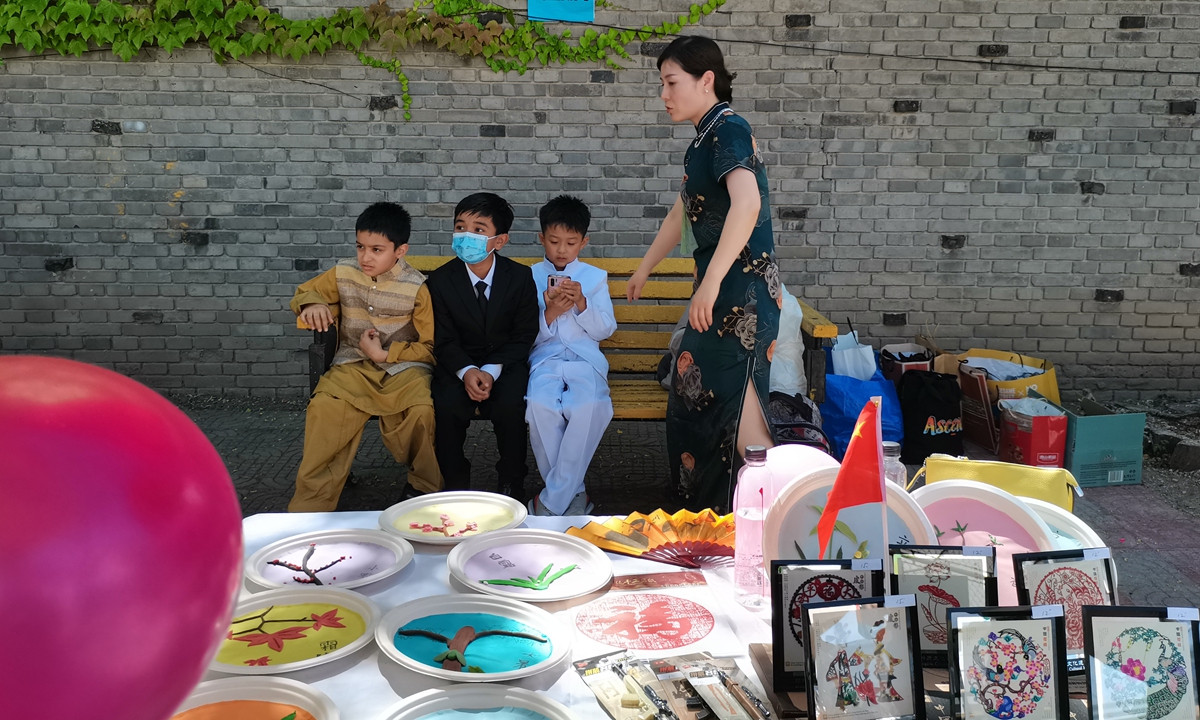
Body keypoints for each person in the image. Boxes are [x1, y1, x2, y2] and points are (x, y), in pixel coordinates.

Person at [627, 35, 781, 512]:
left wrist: (711, 283)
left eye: (671, 82)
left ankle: (785, 516)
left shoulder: (729, 129)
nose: (664, 94)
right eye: (662, 84)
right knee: (698, 399)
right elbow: (681, 214)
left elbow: (748, 204)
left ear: (706, 79)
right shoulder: (702, 140)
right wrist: (645, 268)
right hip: (721, 294)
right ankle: (715, 518)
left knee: (739, 421)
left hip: (743, 297)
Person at [288, 202, 441, 512]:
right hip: (352, 365)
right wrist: (312, 305)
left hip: (404, 368)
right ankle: (311, 506)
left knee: (421, 410)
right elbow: (307, 291)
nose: (365, 257)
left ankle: (423, 489)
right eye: (360, 247)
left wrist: (387, 353)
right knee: (325, 407)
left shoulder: (416, 287)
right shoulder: (343, 273)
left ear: (400, 250)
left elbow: (429, 346)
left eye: (377, 249)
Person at [425, 192, 540, 502]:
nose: (466, 236)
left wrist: (490, 370)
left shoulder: (519, 277)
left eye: (478, 230)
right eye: (460, 227)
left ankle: (511, 481)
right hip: (456, 365)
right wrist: (467, 371)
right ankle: (454, 483)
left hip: (504, 364)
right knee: (447, 407)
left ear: (499, 240)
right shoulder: (439, 281)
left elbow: (524, 334)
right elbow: (442, 338)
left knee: (510, 407)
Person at [526, 195, 617, 516]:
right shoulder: (530, 276)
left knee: (590, 406)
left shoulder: (594, 278)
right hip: (545, 359)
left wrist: (582, 305)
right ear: (542, 239)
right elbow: (522, 334)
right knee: (539, 406)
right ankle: (573, 493)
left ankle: (551, 500)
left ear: (583, 242)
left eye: (570, 242)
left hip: (584, 360)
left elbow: (605, 329)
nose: (561, 249)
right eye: (553, 241)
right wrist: (549, 313)